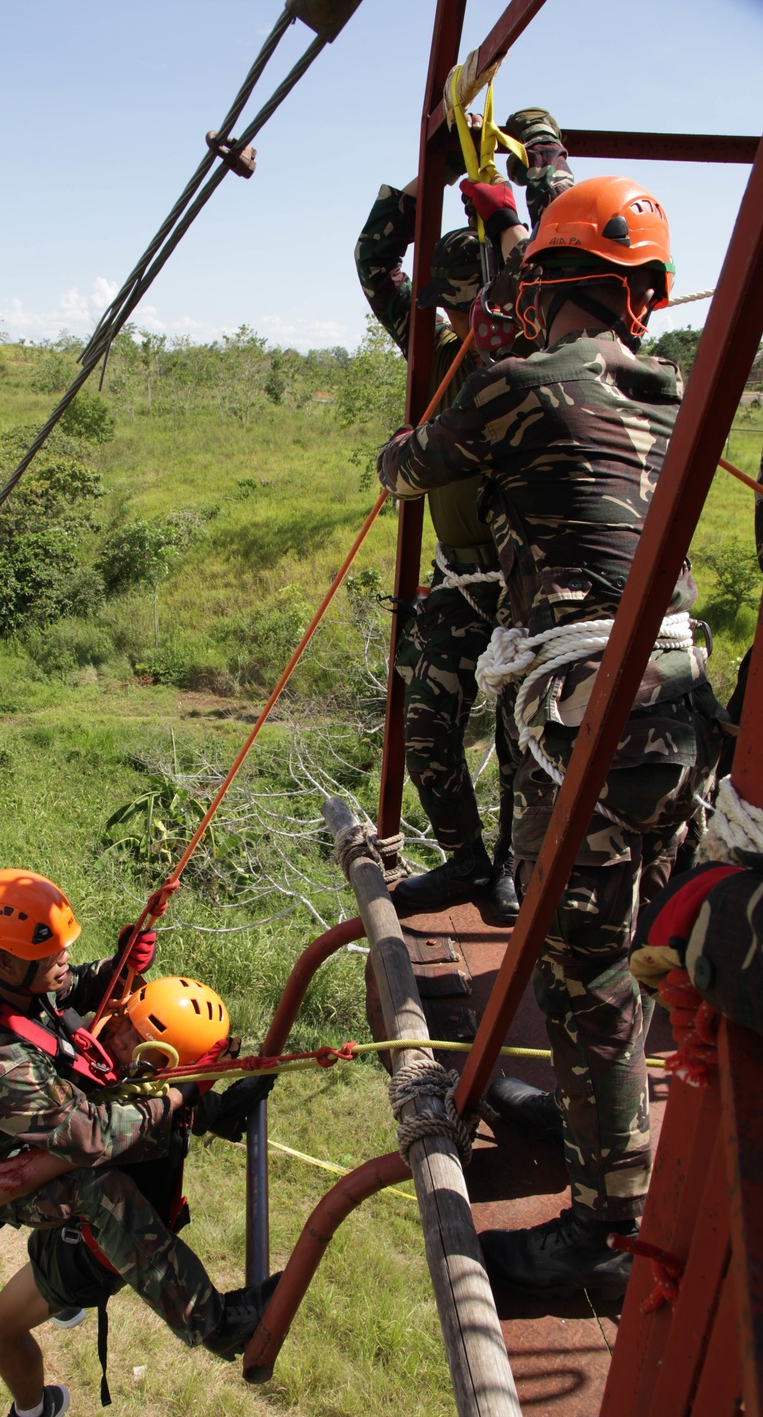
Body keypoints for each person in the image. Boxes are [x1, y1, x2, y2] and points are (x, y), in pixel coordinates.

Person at [377, 176, 726, 1298]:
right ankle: (608, 1139)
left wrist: (477, 359)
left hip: (591, 704)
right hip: (680, 699)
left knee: (581, 971)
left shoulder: (516, 386)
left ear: (543, 288)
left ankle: (605, 1232)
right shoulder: (678, 391)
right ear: (646, 297)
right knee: (637, 936)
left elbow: (405, 466)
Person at [0, 869, 276, 1417]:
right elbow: (90, 1137)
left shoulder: (2, 978)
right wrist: (183, 1094)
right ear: (5, 961)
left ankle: (208, 1120)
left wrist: (113, 970)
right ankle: (217, 1324)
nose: (64, 958)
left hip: (14, 1131)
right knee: (101, 1184)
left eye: (64, 946)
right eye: (51, 953)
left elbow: (60, 1001)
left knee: (110, 1069)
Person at [353, 110, 574, 922]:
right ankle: (466, 860)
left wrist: (531, 177)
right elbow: (375, 260)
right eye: (443, 313)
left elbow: (556, 265)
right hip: (460, 574)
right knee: (429, 720)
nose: (453, 325)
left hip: (524, 577)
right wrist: (431, 177)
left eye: (461, 309)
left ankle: (515, 868)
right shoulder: (439, 358)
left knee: (519, 726)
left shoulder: (534, 357)